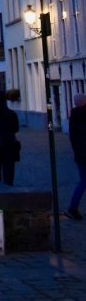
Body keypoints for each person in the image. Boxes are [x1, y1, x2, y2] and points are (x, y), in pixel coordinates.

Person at [64, 93, 86, 221]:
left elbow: (72, 137)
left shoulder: (74, 117)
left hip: (80, 155)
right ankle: (72, 208)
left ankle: (72, 208)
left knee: (83, 181)